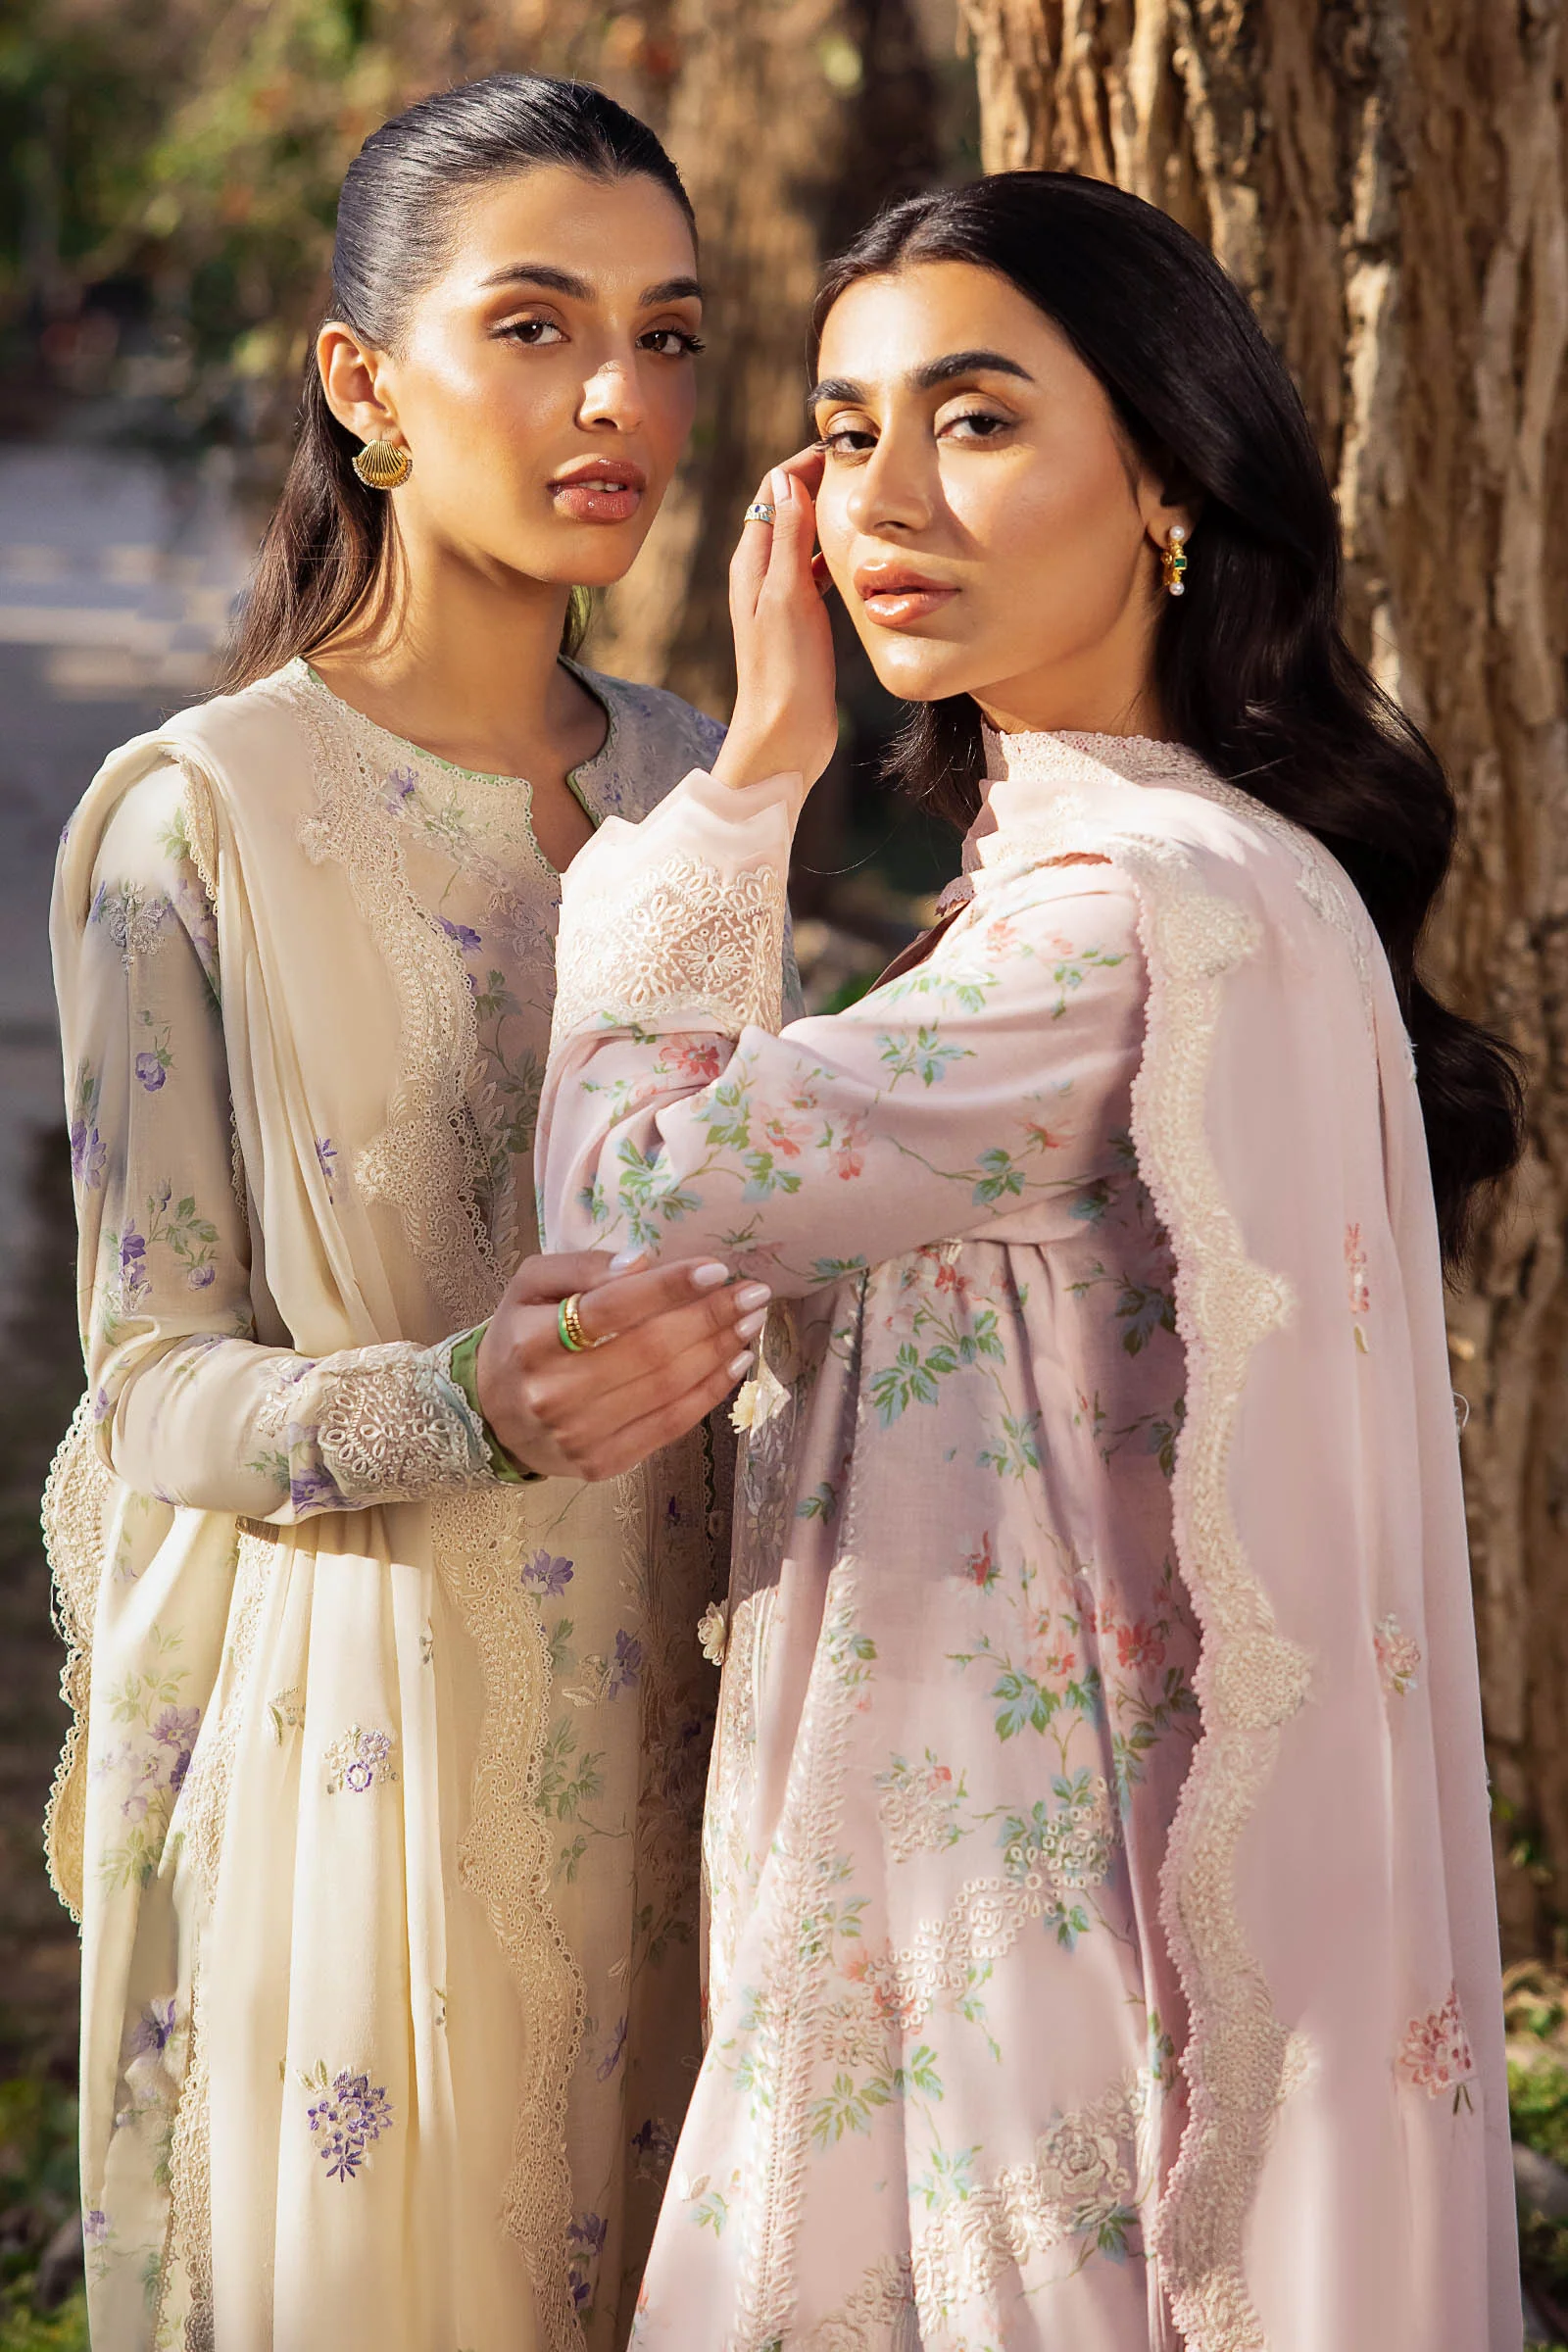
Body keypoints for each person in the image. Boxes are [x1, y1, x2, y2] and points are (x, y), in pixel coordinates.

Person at [536, 172, 1525, 2349]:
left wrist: (748, 779)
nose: (886, 499)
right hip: (1059, 1874)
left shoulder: (1099, 923)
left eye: (974, 420)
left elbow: (626, 1195)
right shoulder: (1226, 873)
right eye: (846, 432)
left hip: (1011, 1927)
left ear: (1166, 477)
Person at [47, 74, 787, 2352]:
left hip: (703, 1737)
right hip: (372, 1755)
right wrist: (466, 1401)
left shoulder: (701, 774)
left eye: (665, 337)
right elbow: (154, 1390)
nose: (617, 397)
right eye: (537, 326)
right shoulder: (199, 820)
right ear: (365, 384)